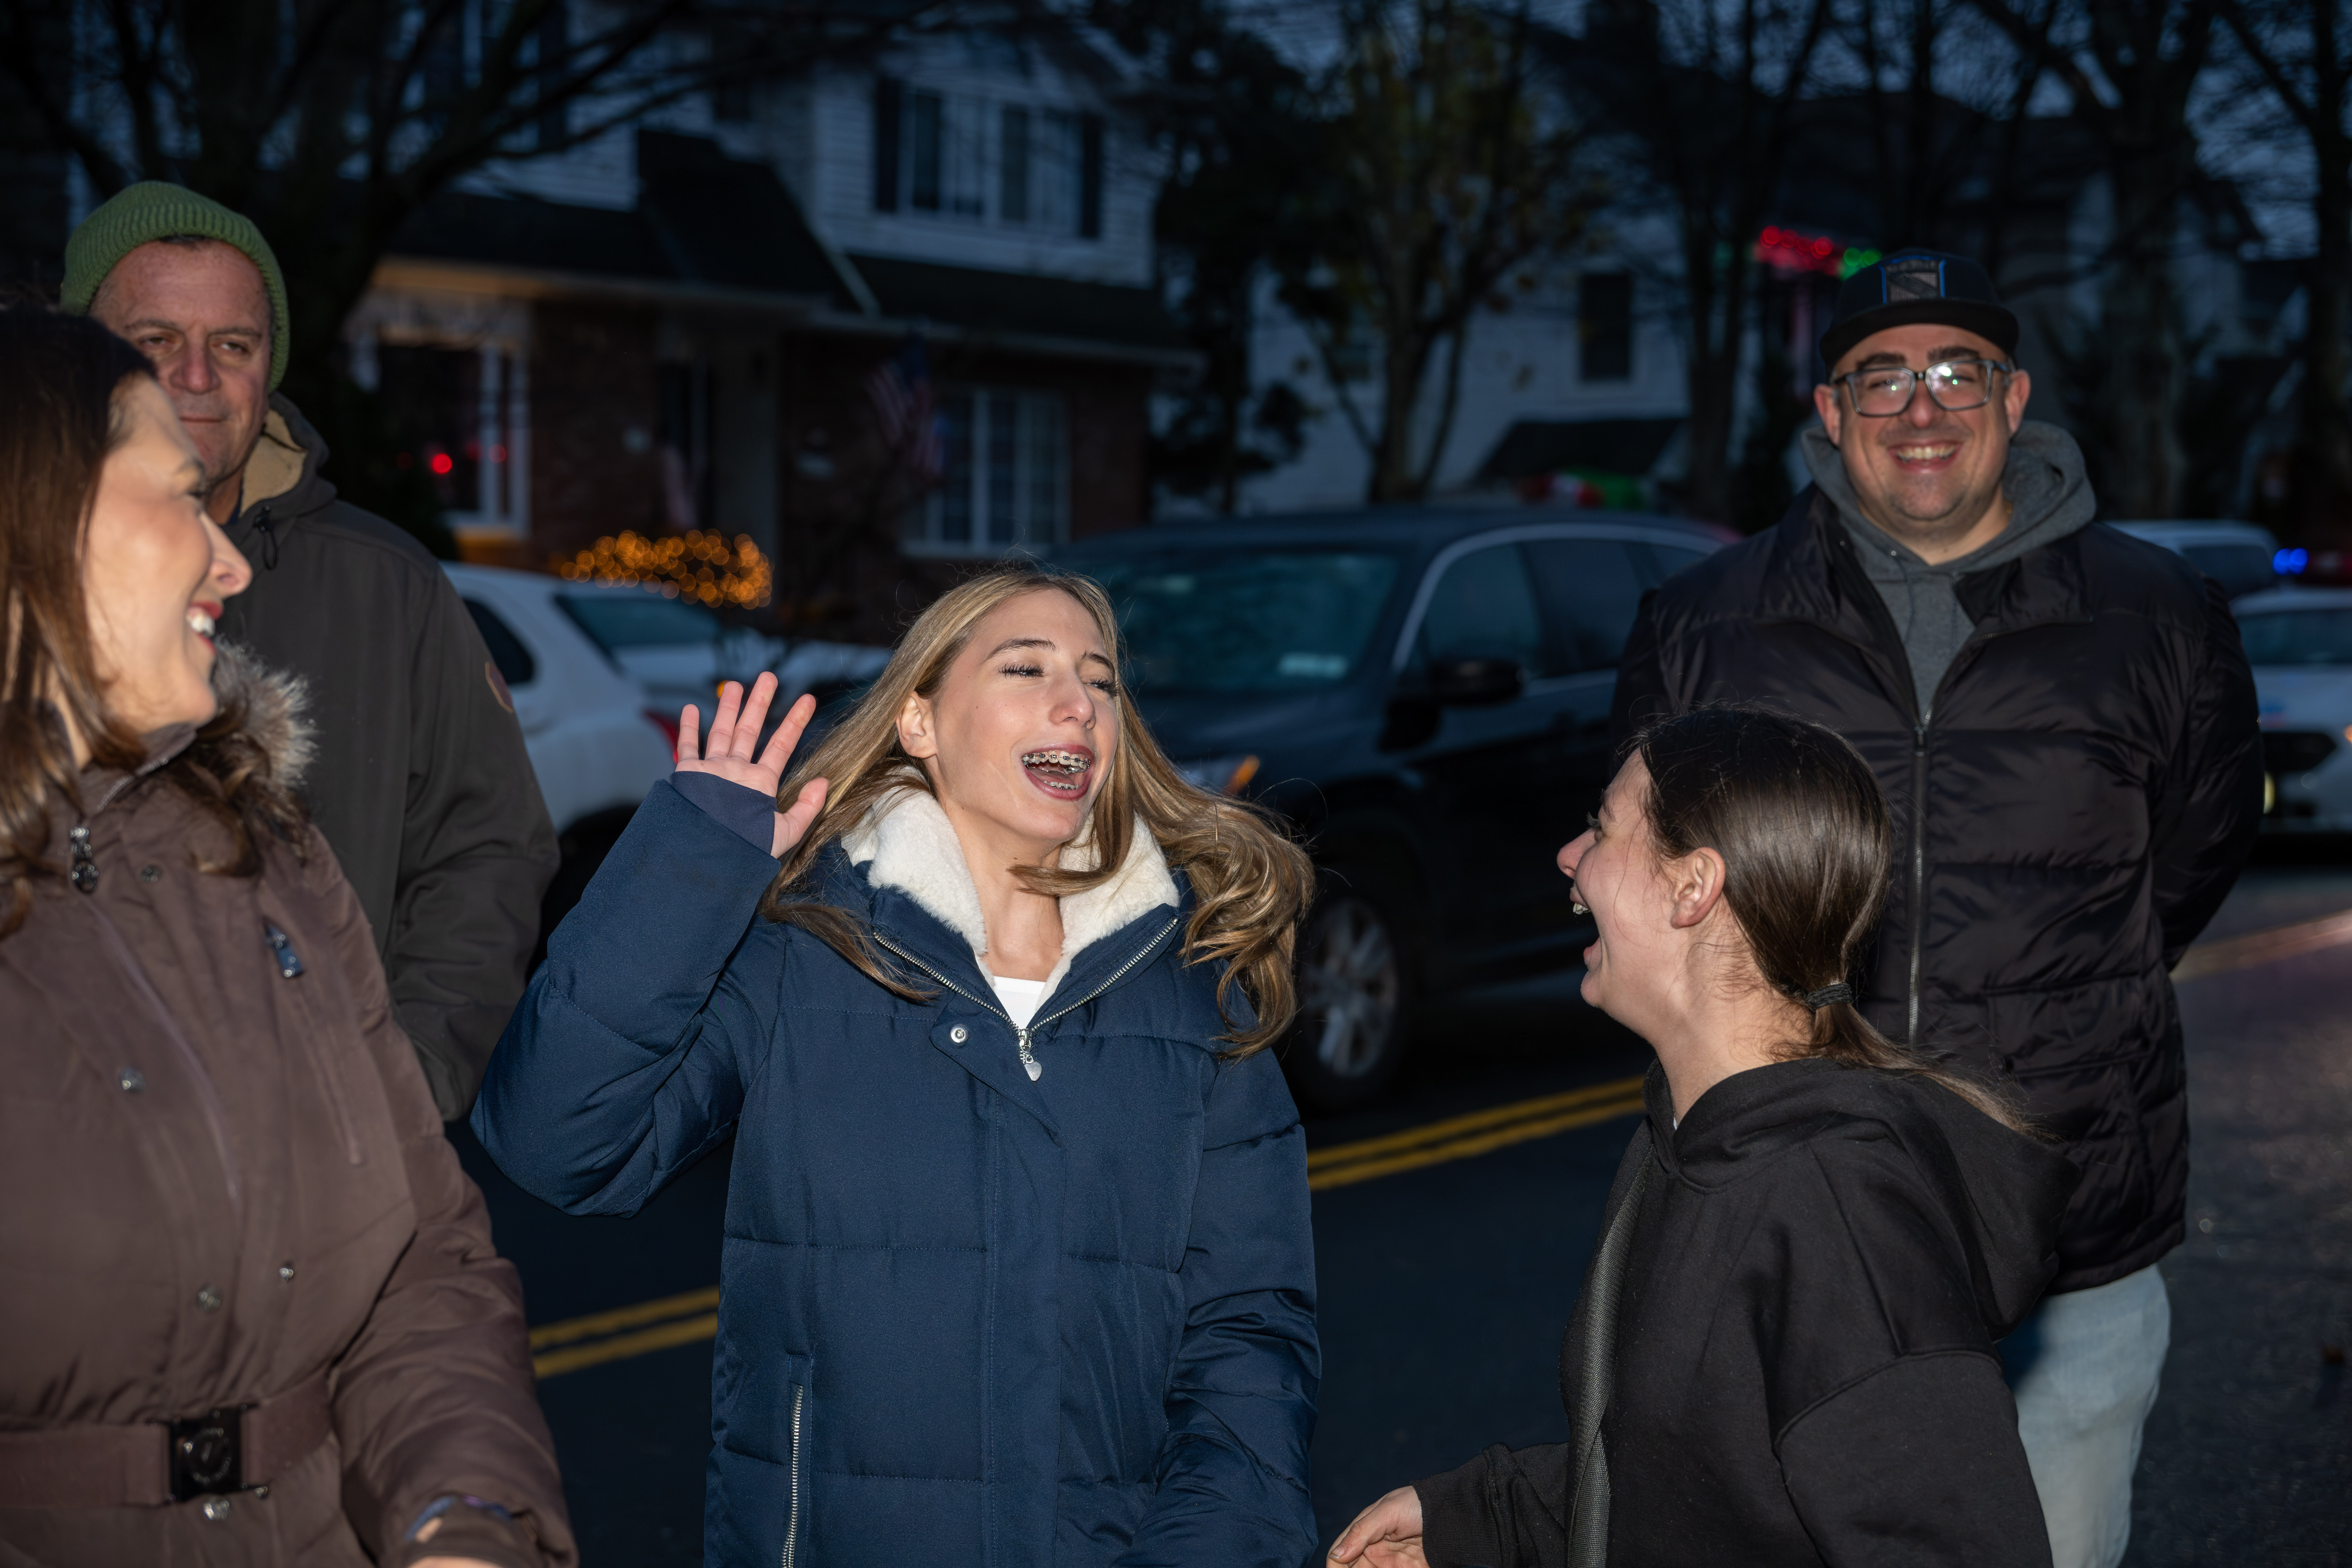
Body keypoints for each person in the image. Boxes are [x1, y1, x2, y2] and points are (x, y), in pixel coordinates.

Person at [1608, 250, 2261, 1568]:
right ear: (1829, 409)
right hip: (1784, 1228)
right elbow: (1641, 880)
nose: (1922, 406)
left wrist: (2065, 1009)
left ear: (2014, 399)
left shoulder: (2160, 616)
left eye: (1959, 370)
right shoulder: (1701, 623)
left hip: (2072, 1224)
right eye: (1883, 376)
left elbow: (2192, 858)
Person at [472, 565, 1322, 1567]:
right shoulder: (802, 955)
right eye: (1027, 668)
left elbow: (1249, 1342)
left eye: (1101, 681)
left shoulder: (1192, 996)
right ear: (920, 722)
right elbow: (554, 1142)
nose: (1080, 704)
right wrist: (692, 862)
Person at [0, 306, 571, 1567]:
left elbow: (420, 1268)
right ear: (33, 515)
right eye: (179, 498)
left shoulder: (273, 857)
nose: (233, 564)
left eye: (238, 343)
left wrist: (465, 1521)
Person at [1328, 705, 2079, 1568]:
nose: (1571, 856)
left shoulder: (1832, 1211)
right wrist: (1480, 1522)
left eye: (1604, 828)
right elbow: (1696, 1484)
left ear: (1694, 888)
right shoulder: (1687, 1140)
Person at [62, 181, 557, 1119]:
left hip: (335, 1146)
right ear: (79, 355)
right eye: (155, 340)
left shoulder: (390, 587)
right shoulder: (24, 573)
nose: (196, 376)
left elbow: (487, 847)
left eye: (233, 346)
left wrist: (410, 1076)